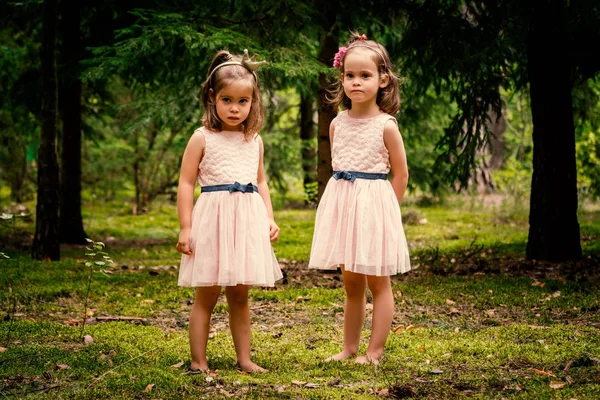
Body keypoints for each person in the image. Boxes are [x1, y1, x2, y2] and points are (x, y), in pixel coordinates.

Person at [176, 49, 282, 373]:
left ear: (253, 102)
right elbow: (185, 182)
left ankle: (245, 359)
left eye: (243, 101)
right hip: (212, 222)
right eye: (227, 100)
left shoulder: (254, 140)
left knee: (240, 297)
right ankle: (198, 360)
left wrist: (269, 218)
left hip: (245, 224)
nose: (235, 108)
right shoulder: (202, 137)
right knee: (206, 296)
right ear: (212, 98)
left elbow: (261, 182)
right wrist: (185, 227)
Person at [309, 33, 411, 365]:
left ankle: (375, 351)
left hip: (374, 210)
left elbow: (401, 174)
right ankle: (349, 348)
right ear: (342, 78)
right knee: (352, 285)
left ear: (383, 80)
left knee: (378, 284)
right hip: (344, 210)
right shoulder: (338, 123)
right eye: (350, 76)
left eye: (365, 76)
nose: (356, 82)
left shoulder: (386, 126)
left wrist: (388, 214)